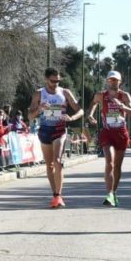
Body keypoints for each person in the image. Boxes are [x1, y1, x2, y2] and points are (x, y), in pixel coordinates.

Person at [30, 67, 82, 208]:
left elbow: (80, 110)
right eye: (53, 81)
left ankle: (59, 195)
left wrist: (71, 117)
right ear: (46, 79)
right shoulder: (39, 93)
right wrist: (39, 109)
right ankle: (55, 195)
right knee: (50, 165)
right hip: (45, 130)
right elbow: (30, 116)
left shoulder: (65, 92)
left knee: (57, 161)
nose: (56, 84)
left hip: (60, 130)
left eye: (58, 81)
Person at [88, 70, 131, 206]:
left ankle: (114, 193)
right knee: (109, 162)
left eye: (115, 80)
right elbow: (93, 103)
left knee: (117, 166)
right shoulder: (101, 95)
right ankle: (109, 194)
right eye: (110, 80)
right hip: (107, 132)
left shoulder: (124, 96)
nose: (113, 82)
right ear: (107, 81)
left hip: (121, 132)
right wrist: (90, 115)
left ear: (120, 82)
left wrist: (122, 106)